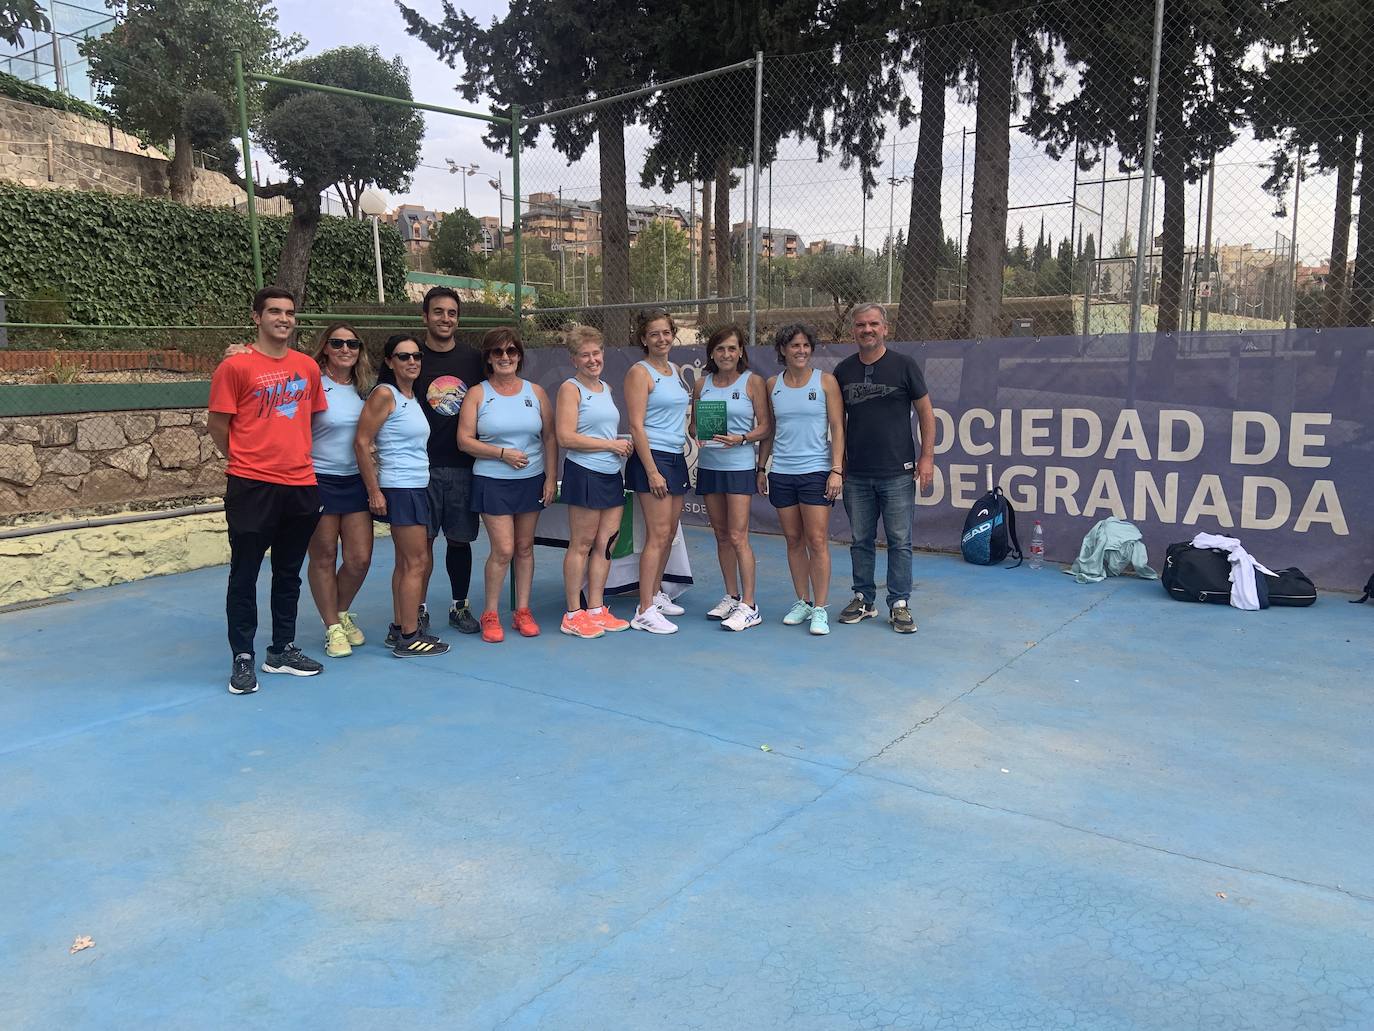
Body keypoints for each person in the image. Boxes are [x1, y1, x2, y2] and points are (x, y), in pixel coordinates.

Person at [208, 287, 326, 695]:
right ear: (256, 317)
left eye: (289, 312)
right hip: (251, 486)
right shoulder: (235, 366)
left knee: (288, 573)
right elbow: (218, 425)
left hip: (301, 485)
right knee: (245, 574)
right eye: (274, 311)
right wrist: (246, 461)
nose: (283, 319)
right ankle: (243, 656)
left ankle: (282, 650)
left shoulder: (307, 367)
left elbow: (310, 420)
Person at [378, 287, 486, 637]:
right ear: (425, 316)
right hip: (418, 472)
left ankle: (460, 606)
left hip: (462, 466)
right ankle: (417, 611)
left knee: (460, 540)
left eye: (452, 313)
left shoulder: (473, 359)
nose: (445, 318)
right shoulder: (410, 356)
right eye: (438, 312)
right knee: (419, 548)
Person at [833, 303, 935, 634]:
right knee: (860, 539)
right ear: (853, 331)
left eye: (874, 324)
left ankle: (899, 604)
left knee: (900, 540)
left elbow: (926, 413)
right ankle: (864, 598)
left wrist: (927, 457)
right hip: (857, 475)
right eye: (861, 325)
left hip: (898, 473)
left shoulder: (904, 365)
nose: (867, 330)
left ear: (885, 328)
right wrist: (839, 463)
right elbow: (837, 422)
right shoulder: (843, 371)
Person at [458, 329, 557, 643]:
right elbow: (464, 441)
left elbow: (550, 437)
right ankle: (490, 613)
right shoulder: (477, 394)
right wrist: (502, 453)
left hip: (532, 480)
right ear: (489, 358)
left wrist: (550, 478)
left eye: (511, 351)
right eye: (498, 352)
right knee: (503, 549)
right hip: (492, 481)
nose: (505, 357)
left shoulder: (536, 392)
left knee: (525, 548)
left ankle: (523, 611)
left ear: (519, 356)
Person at [355, 334, 450, 657]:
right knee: (416, 562)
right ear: (389, 361)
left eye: (416, 356)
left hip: (416, 486)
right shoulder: (385, 394)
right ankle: (410, 637)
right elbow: (361, 442)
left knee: (405, 562)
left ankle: (399, 628)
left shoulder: (410, 396)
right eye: (403, 356)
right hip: (401, 487)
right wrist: (374, 491)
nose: (412, 361)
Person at [757, 323, 844, 636]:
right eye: (795, 345)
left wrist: (836, 469)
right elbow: (769, 430)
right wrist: (761, 467)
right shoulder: (772, 384)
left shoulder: (826, 382)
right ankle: (803, 602)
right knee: (793, 540)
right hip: (782, 473)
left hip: (816, 472)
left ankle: (820, 608)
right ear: (783, 350)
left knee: (817, 540)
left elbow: (837, 427)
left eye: (806, 345)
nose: (801, 351)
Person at [555, 325, 634, 639]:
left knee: (606, 543)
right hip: (584, 473)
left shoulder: (607, 388)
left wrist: (616, 446)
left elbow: (602, 433)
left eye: (596, 352)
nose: (592, 359)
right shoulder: (570, 389)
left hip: (611, 474)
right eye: (584, 355)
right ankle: (573, 614)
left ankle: (596, 609)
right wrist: (610, 445)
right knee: (582, 544)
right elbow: (565, 437)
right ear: (574, 359)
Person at [691, 324, 770, 631]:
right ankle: (732, 596)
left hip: (739, 467)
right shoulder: (702, 384)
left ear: (740, 352)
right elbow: (694, 428)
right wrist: (699, 431)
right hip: (710, 466)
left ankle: (750, 605)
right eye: (720, 349)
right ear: (712, 353)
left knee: (738, 536)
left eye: (732, 348)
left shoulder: (753, 381)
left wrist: (741, 438)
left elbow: (765, 427)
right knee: (721, 535)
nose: (726, 354)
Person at [306, 322, 373, 658]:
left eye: (352, 344)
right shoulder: (313, 383)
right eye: (337, 343)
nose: (346, 349)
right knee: (324, 556)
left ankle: (340, 611)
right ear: (325, 348)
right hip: (319, 479)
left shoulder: (366, 389)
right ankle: (332, 626)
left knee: (359, 558)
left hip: (355, 480)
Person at [623, 309, 692, 634]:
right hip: (653, 459)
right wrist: (652, 471)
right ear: (644, 339)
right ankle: (644, 610)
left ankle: (655, 594)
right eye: (654, 334)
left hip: (676, 457)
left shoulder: (674, 370)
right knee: (658, 534)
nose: (661, 339)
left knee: (669, 532)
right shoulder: (639, 373)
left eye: (666, 332)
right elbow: (636, 426)